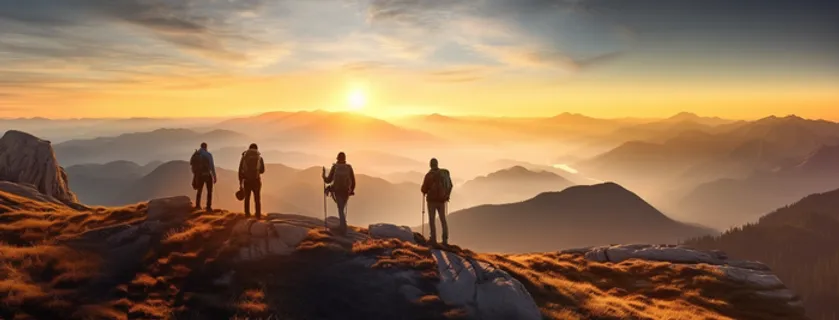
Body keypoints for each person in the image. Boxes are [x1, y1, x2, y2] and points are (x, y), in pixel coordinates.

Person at [421, 158, 453, 245]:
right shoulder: (443, 175)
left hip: (431, 201)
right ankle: (445, 239)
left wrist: (425, 191)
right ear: (437, 164)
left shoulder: (429, 175)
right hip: (442, 201)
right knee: (443, 219)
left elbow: (423, 189)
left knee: (432, 220)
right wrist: (446, 196)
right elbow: (450, 185)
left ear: (430, 165)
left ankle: (433, 239)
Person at [322, 152, 356, 235]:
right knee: (341, 208)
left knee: (340, 209)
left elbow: (328, 180)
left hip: (337, 191)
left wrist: (323, 175)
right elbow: (353, 180)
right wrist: (351, 190)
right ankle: (342, 225)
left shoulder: (335, 167)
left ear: (337, 158)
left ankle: (343, 228)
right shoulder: (348, 167)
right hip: (345, 191)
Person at [238, 143, 265, 219]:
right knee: (257, 198)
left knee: (247, 198)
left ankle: (247, 214)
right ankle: (258, 215)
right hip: (256, 180)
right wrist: (256, 171)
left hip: (247, 181)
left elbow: (240, 170)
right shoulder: (259, 157)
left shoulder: (244, 157)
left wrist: (240, 182)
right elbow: (262, 170)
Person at [190, 142, 216, 212]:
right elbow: (211, 166)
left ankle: (198, 205)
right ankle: (208, 207)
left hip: (199, 175)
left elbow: (192, 165)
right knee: (209, 191)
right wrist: (214, 176)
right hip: (207, 175)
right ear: (206, 147)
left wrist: (196, 174)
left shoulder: (196, 154)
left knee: (199, 190)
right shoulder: (208, 154)